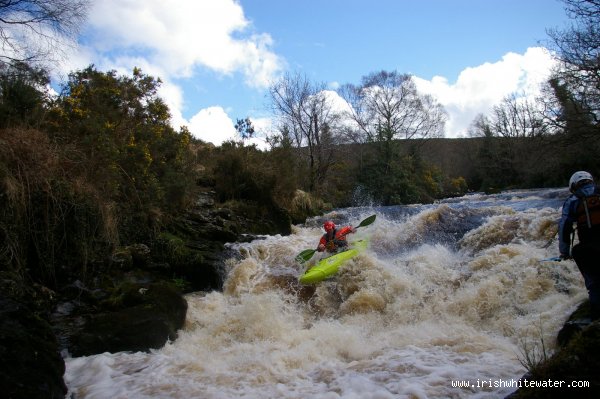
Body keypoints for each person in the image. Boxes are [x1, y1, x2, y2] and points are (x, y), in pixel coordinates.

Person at [558, 171, 600, 320]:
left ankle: (596, 317)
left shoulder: (572, 200)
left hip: (589, 249)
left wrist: (565, 252)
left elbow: (564, 228)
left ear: (574, 186)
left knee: (594, 282)